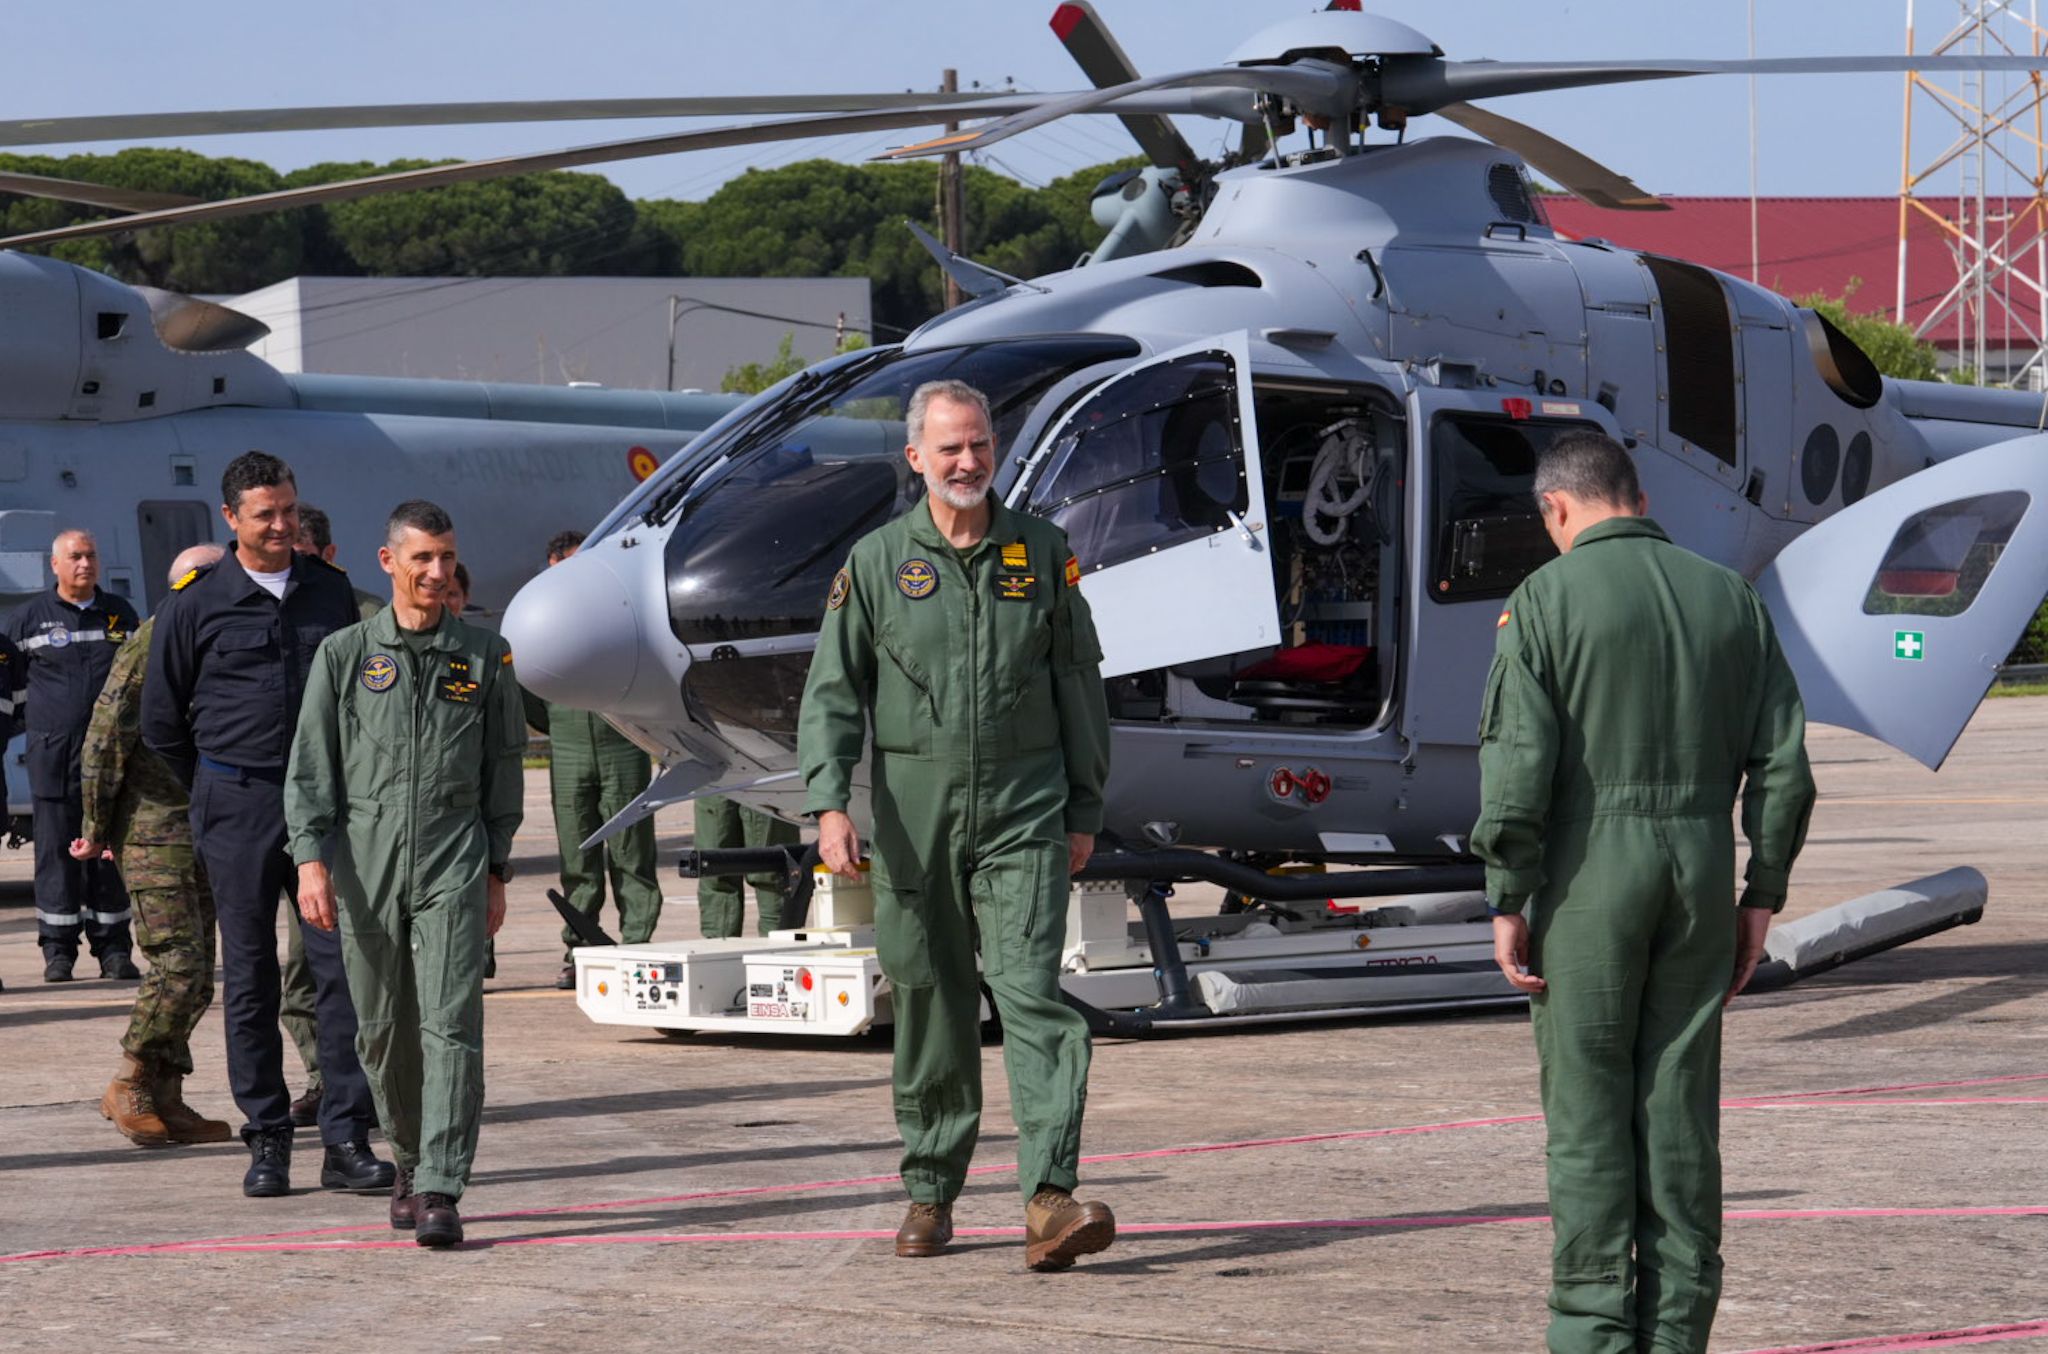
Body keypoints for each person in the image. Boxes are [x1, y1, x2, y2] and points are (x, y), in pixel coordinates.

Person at [1472, 431, 1815, 1354]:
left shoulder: (1543, 601)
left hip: (1591, 876)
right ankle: (1676, 1335)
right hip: (1700, 869)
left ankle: (1590, 1332)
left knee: (1589, 1116)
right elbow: (1784, 768)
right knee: (1679, 1113)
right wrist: (1762, 890)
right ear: (1637, 496)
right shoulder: (1729, 599)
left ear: (1558, 508)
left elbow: (1517, 770)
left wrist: (1509, 895)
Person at [797, 379, 1116, 1271]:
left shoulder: (1043, 554)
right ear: (917, 459)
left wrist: (1082, 807)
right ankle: (931, 1192)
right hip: (913, 815)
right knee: (932, 1000)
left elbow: (1079, 689)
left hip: (1023, 809)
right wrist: (830, 804)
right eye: (950, 448)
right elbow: (832, 695)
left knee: (1032, 997)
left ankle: (1049, 1198)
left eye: (979, 444)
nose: (969, 461)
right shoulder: (873, 564)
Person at [141, 451, 392, 1200]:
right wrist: (218, 789)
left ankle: (346, 1137)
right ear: (232, 520)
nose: (282, 524)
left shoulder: (330, 593)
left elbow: (354, 702)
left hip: (323, 809)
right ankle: (268, 1138)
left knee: (338, 971)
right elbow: (162, 722)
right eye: (265, 514)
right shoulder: (194, 604)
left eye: (288, 509)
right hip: (236, 804)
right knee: (248, 976)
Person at [287, 499, 524, 1248]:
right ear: (388, 562)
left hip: (454, 855)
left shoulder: (484, 657)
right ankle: (410, 1159)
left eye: (446, 557)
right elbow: (311, 770)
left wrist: (497, 872)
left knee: (451, 1025)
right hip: (365, 859)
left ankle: (441, 1184)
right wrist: (310, 863)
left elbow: (503, 772)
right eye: (421, 558)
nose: (437, 571)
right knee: (384, 1030)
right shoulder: (346, 655)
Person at [75, 543, 234, 1146]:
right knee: (178, 962)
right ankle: (131, 1081)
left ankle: (167, 1096)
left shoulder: (219, 636)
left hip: (202, 823)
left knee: (199, 976)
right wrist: (95, 825)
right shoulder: (153, 639)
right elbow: (105, 735)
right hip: (150, 826)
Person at [4, 530, 140, 982]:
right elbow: (15, 687)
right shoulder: (29, 620)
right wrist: (44, 728)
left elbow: (139, 678)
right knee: (55, 855)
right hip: (53, 757)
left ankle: (115, 949)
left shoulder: (120, 614)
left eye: (91, 556)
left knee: (107, 852)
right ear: (55, 565)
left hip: (112, 759)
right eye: (75, 556)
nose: (85, 563)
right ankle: (57, 952)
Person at [531, 529, 662, 989]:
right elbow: (529, 694)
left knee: (632, 853)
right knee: (577, 857)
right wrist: (563, 731)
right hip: (568, 752)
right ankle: (580, 949)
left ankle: (638, 943)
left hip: (622, 747)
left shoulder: (622, 617)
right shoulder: (543, 622)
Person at [693, 796, 800, 938]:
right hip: (710, 780)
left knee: (774, 876)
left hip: (766, 783)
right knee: (713, 870)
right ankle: (720, 952)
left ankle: (778, 953)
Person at [297, 504, 386, 621]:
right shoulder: (268, 608)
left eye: (300, 556)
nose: (288, 564)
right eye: (280, 557)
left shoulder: (367, 614)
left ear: (328, 554)